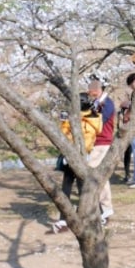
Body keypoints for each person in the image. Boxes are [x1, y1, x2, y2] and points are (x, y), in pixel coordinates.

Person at [53, 92, 103, 233]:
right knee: (84, 188)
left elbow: (65, 135)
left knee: (67, 187)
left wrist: (65, 122)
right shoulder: (96, 118)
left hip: (73, 156)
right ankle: (94, 216)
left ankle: (64, 220)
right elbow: (96, 132)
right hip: (85, 155)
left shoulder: (75, 119)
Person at [86, 78, 115, 223]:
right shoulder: (97, 103)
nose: (90, 95)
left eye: (91, 93)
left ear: (97, 91)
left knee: (97, 174)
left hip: (103, 143)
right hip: (95, 142)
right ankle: (103, 207)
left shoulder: (107, 104)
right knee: (97, 174)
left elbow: (99, 122)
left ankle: (105, 208)